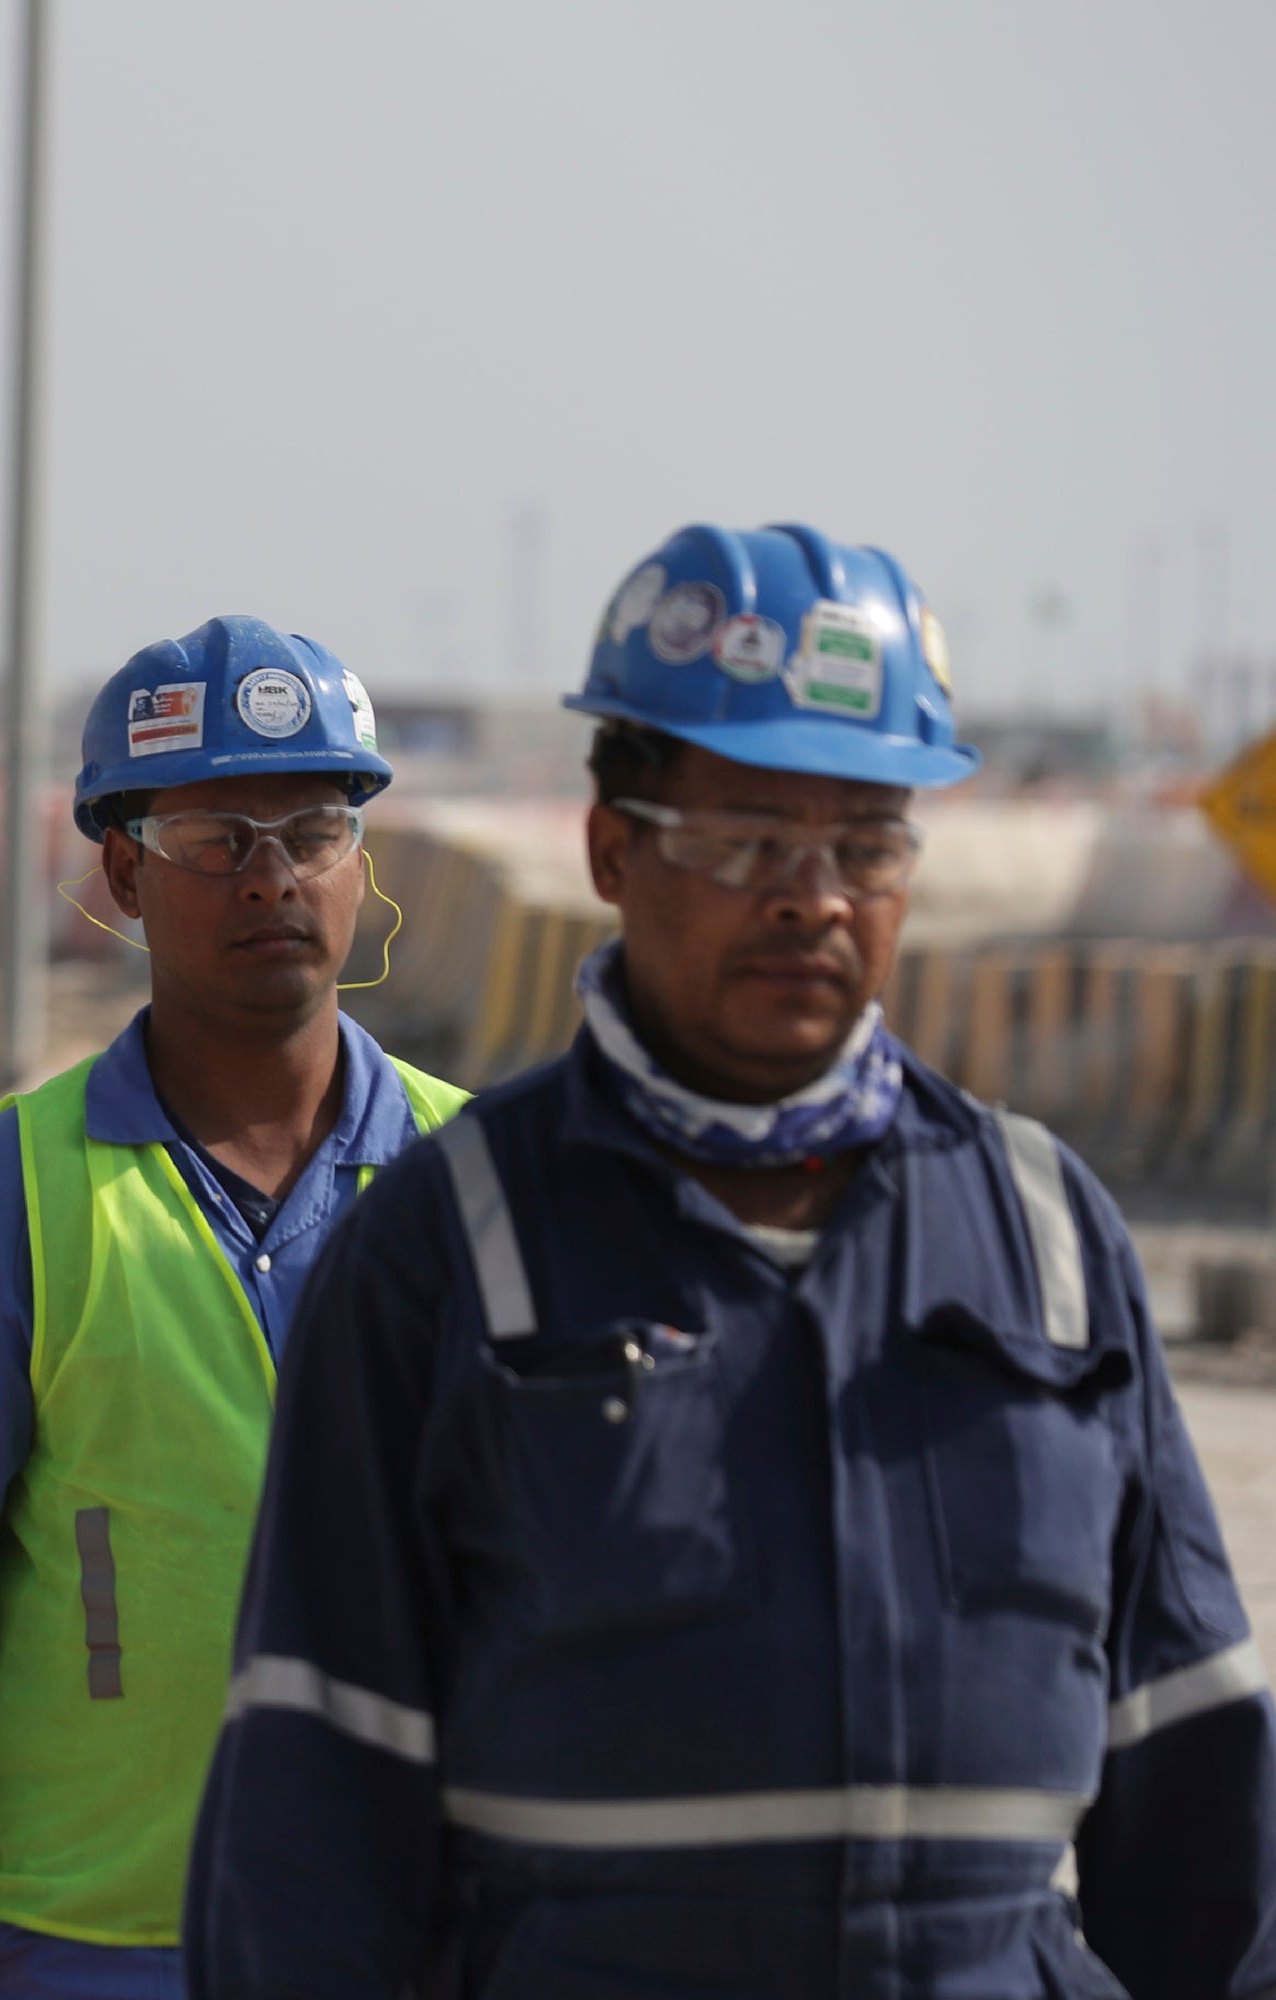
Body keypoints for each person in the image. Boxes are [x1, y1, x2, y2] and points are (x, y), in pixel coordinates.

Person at [186, 522, 1276, 1996]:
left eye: (864, 845)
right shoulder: (447, 1254)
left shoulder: (1050, 1240)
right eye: (751, 840)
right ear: (613, 849)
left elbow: (1201, 1799)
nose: (812, 896)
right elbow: (311, 1838)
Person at [0, 621, 466, 1999]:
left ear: (361, 864)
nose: (273, 877)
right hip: (95, 1951)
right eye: (219, 839)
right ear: (125, 871)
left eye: (313, 830)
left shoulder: (473, 1187)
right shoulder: (13, 1196)